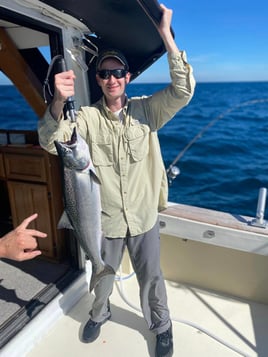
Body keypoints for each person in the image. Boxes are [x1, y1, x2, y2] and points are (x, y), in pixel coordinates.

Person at [38, 4, 195, 356]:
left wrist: (166, 35)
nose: (112, 78)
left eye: (118, 72)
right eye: (105, 73)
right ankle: (100, 312)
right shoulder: (87, 118)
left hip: (142, 218)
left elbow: (183, 91)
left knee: (152, 279)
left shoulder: (147, 110)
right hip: (103, 221)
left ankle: (161, 325)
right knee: (102, 277)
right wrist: (57, 102)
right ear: (97, 79)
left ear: (127, 76)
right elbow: (52, 141)